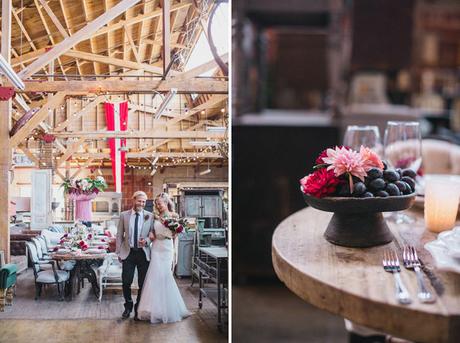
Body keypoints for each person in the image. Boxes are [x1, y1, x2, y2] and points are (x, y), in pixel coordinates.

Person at [137, 192, 191, 323]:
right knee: (154, 276)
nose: (158, 206)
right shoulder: (155, 217)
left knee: (165, 276)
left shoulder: (174, 216)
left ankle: (169, 309)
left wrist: (172, 227)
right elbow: (153, 233)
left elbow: (177, 232)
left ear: (166, 202)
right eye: (156, 204)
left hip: (167, 247)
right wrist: (151, 236)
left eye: (159, 203)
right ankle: (153, 309)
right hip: (156, 247)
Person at [116, 191, 153, 320]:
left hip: (144, 254)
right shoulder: (124, 215)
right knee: (126, 281)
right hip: (128, 253)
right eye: (139, 201)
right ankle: (128, 306)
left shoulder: (150, 216)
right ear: (134, 200)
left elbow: (152, 235)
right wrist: (118, 252)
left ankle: (138, 308)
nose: (141, 204)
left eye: (144, 202)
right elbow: (119, 235)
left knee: (143, 283)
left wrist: (147, 241)